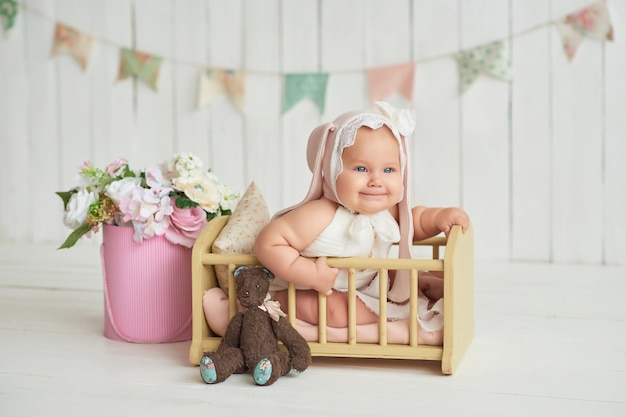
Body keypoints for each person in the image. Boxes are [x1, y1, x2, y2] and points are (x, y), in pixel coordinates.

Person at [251, 102, 471, 340]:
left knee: (407, 279)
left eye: (388, 170)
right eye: (361, 168)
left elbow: (413, 223)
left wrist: (439, 218)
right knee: (335, 310)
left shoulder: (384, 213)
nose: (376, 180)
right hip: (308, 290)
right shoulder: (319, 214)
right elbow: (268, 243)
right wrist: (310, 273)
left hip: (366, 286)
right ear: (331, 168)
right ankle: (393, 319)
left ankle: (409, 296)